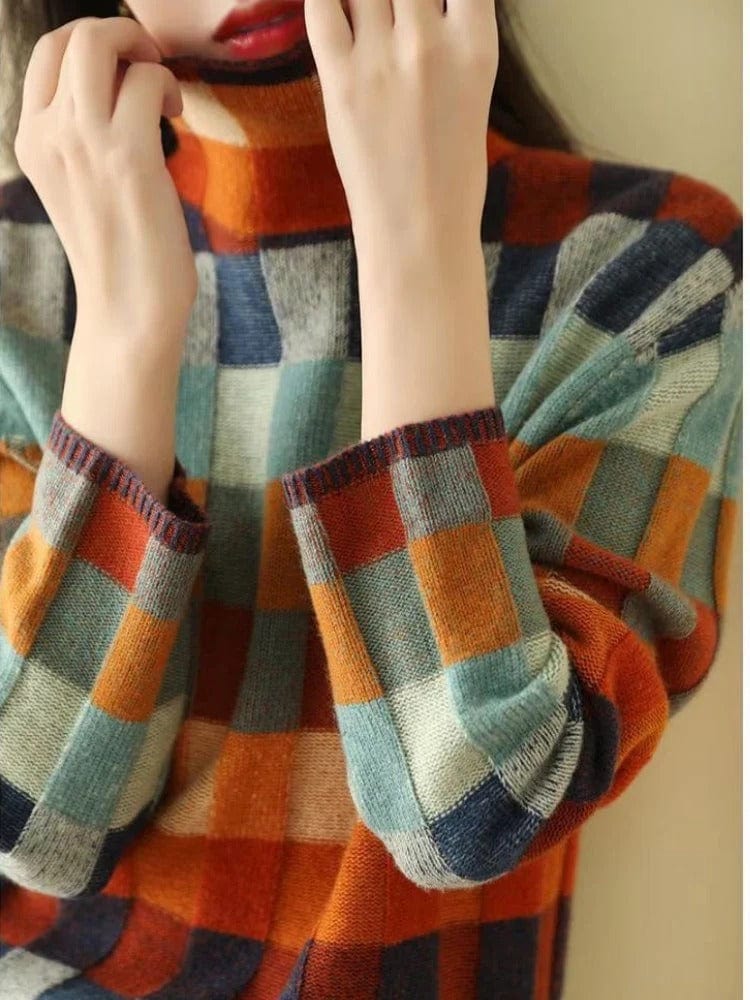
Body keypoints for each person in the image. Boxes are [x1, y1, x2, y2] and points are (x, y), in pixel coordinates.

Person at [0, 0, 741, 997]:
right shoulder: (20, 270)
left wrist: (412, 245)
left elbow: (471, 812)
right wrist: (124, 335)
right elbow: (38, 825)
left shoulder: (648, 269)